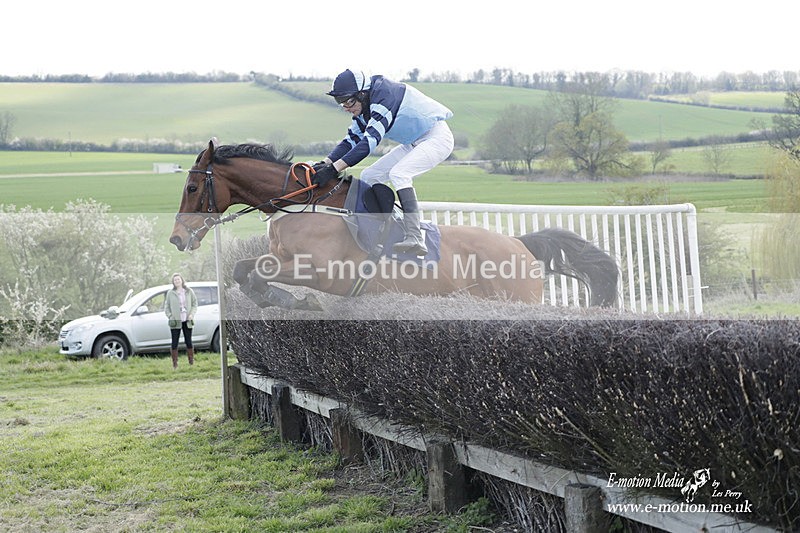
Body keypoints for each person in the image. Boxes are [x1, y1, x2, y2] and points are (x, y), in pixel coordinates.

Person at [313, 69, 454, 256]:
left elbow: (368, 143)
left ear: (362, 94)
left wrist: (334, 169)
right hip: (412, 142)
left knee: (399, 174)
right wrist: (325, 163)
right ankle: (390, 226)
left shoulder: (383, 97)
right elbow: (350, 141)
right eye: (341, 103)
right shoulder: (363, 109)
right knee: (369, 176)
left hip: (437, 138)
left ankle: (415, 235)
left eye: (348, 101)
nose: (346, 107)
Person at [164, 273, 198, 368]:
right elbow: (166, 307)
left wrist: (191, 314)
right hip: (176, 321)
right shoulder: (170, 293)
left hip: (187, 320)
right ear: (173, 282)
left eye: (178, 279)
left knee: (189, 341)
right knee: (175, 342)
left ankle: (191, 361)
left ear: (182, 280)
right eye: (175, 280)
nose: (177, 281)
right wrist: (170, 316)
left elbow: (195, 303)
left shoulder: (189, 291)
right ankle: (175, 363)